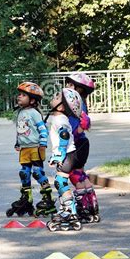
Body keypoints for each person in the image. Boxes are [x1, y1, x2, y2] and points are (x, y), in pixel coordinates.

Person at [7, 82, 55, 217]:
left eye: (23, 95)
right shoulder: (21, 112)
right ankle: (27, 199)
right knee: (24, 173)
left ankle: (48, 199)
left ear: (32, 100)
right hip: (24, 149)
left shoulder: (34, 113)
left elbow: (42, 129)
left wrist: (43, 143)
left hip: (35, 147)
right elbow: (20, 130)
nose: (19, 97)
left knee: (38, 173)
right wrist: (17, 143)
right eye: (19, 94)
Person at [46, 88, 83, 232]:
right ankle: (65, 208)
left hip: (67, 154)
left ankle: (70, 211)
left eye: (57, 96)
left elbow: (64, 135)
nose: (53, 96)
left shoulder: (60, 119)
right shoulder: (58, 118)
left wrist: (59, 154)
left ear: (60, 107)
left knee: (60, 182)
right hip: (68, 154)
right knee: (60, 182)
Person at [65, 73, 100, 223]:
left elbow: (76, 129)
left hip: (76, 144)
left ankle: (82, 206)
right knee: (80, 174)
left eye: (70, 85)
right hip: (84, 144)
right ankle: (91, 203)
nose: (66, 87)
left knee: (73, 174)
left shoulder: (74, 106)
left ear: (78, 89)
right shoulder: (82, 104)